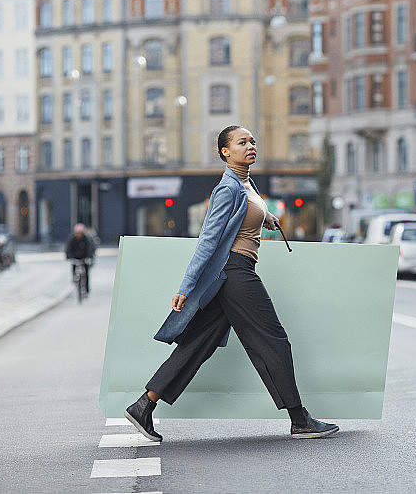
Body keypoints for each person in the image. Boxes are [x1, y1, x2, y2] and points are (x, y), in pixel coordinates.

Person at [124, 125, 339, 442]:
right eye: (242, 142)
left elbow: (244, 213)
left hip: (235, 271)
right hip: (234, 271)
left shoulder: (246, 183)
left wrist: (265, 217)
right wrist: (186, 286)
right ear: (225, 151)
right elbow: (207, 240)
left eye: (253, 140)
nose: (251, 145)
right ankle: (299, 419)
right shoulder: (227, 188)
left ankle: (144, 405)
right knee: (273, 339)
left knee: (198, 343)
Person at [65, 223, 95, 294]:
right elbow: (68, 249)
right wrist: (69, 257)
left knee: (86, 273)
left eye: (80, 233)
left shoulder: (87, 239)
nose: (78, 235)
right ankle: (74, 278)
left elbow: (90, 248)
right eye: (77, 233)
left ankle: (87, 289)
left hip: (84, 257)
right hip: (75, 257)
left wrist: (89, 257)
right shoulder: (72, 239)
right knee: (74, 267)